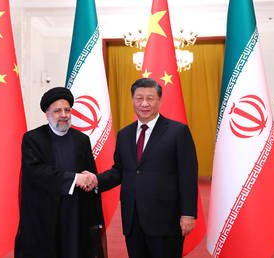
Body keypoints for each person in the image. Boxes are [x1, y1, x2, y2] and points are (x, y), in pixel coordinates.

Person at [85, 78, 198, 258]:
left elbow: (188, 176)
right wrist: (95, 180)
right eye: (139, 98)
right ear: (132, 100)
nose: (144, 104)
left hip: (165, 221)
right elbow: (119, 171)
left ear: (159, 101)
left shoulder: (178, 132)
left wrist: (188, 214)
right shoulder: (124, 134)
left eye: (150, 98)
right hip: (133, 220)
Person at [14, 87, 105, 258]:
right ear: (47, 113)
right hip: (44, 216)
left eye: (67, 110)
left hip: (75, 215)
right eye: (57, 111)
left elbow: (90, 174)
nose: (63, 115)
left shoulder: (81, 140)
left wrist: (90, 180)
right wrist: (74, 179)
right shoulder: (32, 139)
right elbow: (36, 173)